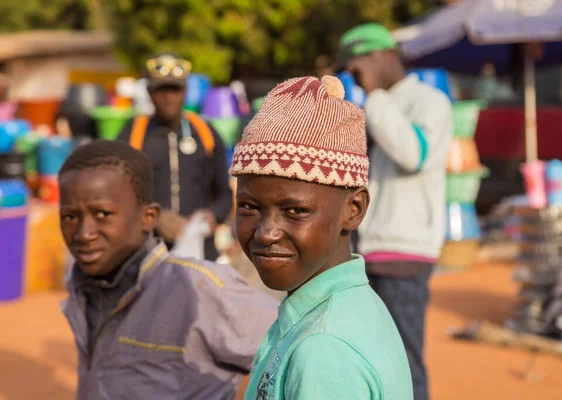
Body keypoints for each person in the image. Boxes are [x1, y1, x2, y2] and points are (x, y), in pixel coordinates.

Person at [230, 75, 413, 399]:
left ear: (353, 209)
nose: (266, 233)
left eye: (295, 211)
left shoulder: (323, 348)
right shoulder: (337, 308)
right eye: (248, 206)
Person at [58, 140, 277, 400]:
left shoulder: (200, 288)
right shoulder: (82, 287)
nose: (84, 234)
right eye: (70, 217)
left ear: (148, 217)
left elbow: (291, 346)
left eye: (102, 214)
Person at [337, 23, 453, 400]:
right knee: (365, 357)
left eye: (357, 69)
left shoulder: (428, 102)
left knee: (402, 358)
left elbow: (413, 155)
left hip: (404, 253)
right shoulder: (372, 105)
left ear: (381, 56)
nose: (355, 78)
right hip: (365, 253)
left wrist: (373, 96)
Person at [118, 52, 232, 261]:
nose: (169, 97)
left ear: (185, 92)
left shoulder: (205, 133)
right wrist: (153, 217)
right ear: (150, 93)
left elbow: (225, 194)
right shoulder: (132, 135)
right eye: (161, 90)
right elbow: (118, 192)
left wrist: (212, 216)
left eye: (175, 89)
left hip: (201, 256)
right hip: (147, 254)